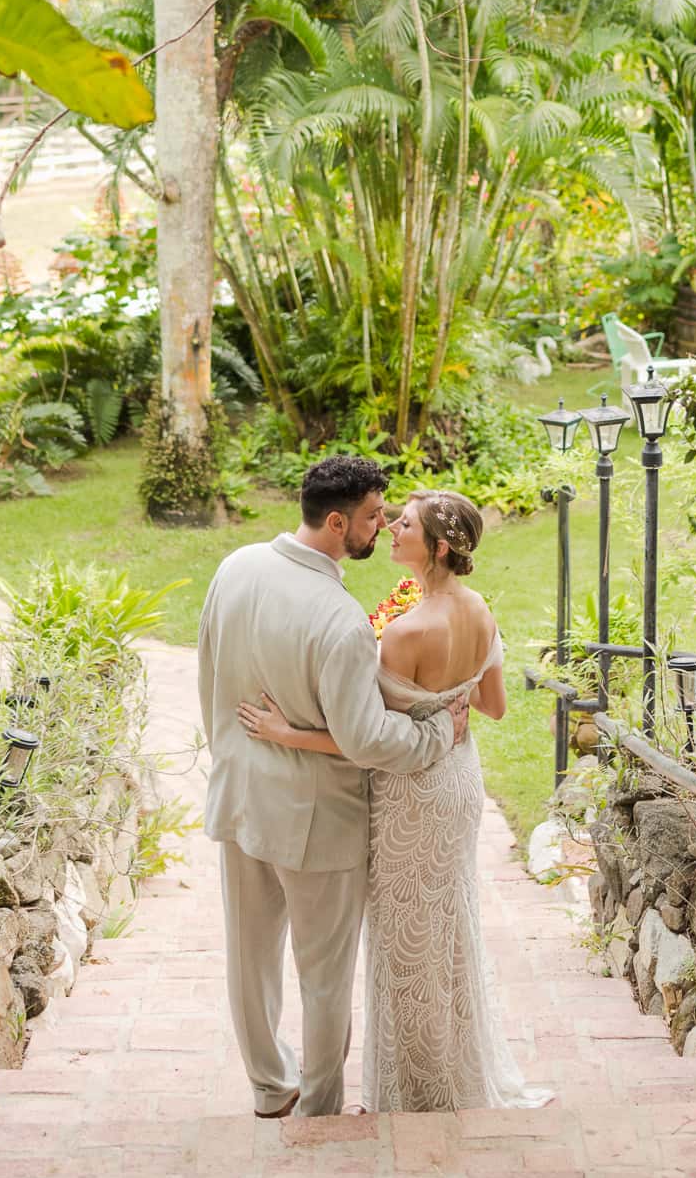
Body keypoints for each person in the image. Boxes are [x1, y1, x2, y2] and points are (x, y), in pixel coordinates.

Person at [238, 488, 550, 1112]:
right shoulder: (479, 609)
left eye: (403, 525)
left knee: (405, 938)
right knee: (449, 929)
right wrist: (446, 706)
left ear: (435, 547)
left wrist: (285, 733)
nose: (389, 529)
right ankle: (457, 1068)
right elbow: (492, 706)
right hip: (460, 784)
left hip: (411, 795)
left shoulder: (406, 631)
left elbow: (366, 741)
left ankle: (418, 1089)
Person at [196, 454, 467, 1120]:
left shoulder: (235, 568)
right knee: (324, 977)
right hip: (317, 822)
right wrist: (438, 737)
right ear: (339, 521)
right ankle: (318, 1107)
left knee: (250, 959)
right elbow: (368, 739)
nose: (385, 526)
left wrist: (232, 756)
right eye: (376, 516)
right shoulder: (339, 618)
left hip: (239, 800)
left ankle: (268, 1088)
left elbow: (207, 679)